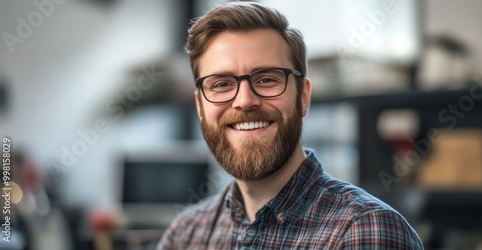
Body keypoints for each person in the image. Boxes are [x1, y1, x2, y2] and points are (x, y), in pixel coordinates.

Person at [157, 2, 424, 249]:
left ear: (303, 97)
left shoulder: (364, 230)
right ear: (200, 107)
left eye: (266, 80)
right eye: (222, 84)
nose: (245, 101)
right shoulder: (186, 234)